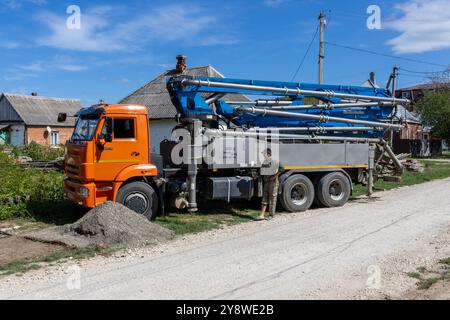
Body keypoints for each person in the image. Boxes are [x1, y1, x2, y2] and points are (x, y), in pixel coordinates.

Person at [257, 148, 283, 221]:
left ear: (268, 154)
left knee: (272, 199)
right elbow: (262, 170)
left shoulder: (275, 161)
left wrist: (274, 176)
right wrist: (257, 175)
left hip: (273, 183)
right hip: (266, 182)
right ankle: (262, 215)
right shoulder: (265, 161)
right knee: (264, 198)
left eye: (264, 154)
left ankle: (271, 215)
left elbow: (282, 169)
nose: (263, 155)